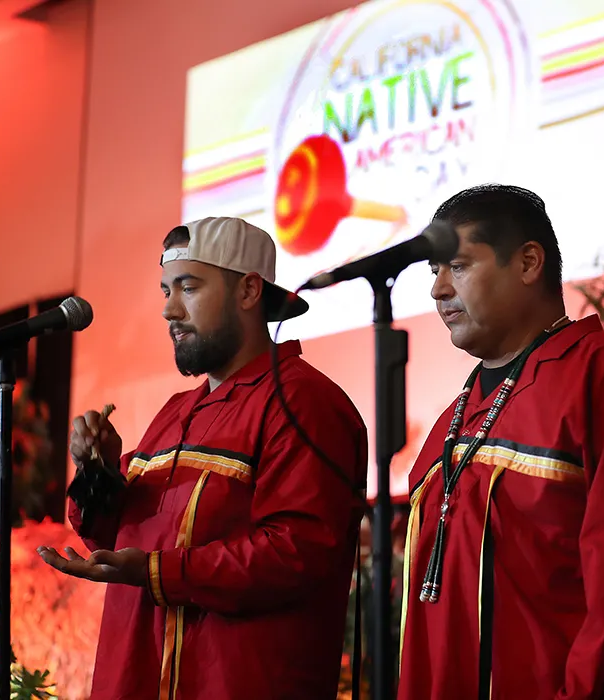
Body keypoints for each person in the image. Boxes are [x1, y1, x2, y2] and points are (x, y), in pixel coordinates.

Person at [37, 217, 368, 700]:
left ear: (250, 290)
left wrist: (156, 572)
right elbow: (115, 535)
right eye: (166, 290)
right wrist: (99, 471)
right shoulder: (176, 412)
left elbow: (296, 553)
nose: (170, 309)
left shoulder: (304, 402)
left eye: (188, 287)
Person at [395, 184, 604, 699]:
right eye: (433, 272)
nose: (438, 289)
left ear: (529, 262)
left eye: (459, 266)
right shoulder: (453, 420)